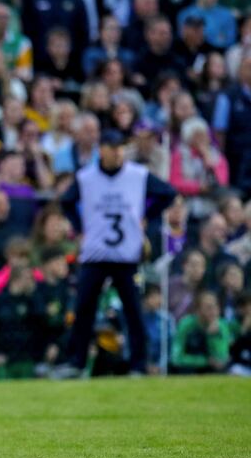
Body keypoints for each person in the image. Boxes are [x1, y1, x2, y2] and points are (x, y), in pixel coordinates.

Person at [57, 130, 176, 376]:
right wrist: (81, 228)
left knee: (133, 310)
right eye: (112, 147)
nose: (117, 152)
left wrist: (146, 217)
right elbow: (66, 201)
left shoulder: (138, 175)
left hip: (126, 254)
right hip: (96, 253)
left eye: (120, 147)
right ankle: (77, 361)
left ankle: (138, 364)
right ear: (102, 150)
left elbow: (168, 193)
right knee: (84, 308)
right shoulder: (86, 177)